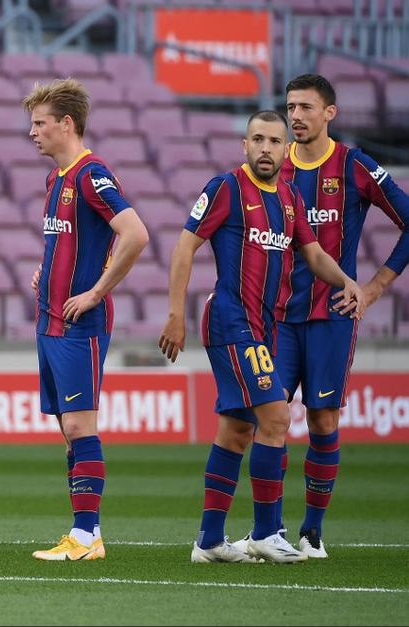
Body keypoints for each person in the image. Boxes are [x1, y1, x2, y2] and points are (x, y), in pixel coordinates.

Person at [158, 110, 366, 564]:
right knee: (275, 417)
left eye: (275, 140)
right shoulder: (225, 189)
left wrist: (347, 281)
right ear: (244, 146)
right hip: (232, 322)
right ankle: (267, 531)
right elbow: (183, 247)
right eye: (258, 139)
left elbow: (313, 254)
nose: (267, 148)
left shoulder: (289, 198)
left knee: (236, 431)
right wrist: (176, 313)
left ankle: (209, 542)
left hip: (263, 328)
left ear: (282, 147)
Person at [247, 74, 408, 559]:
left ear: (329, 114)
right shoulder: (272, 165)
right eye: (290, 107)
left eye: (305, 108)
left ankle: (312, 532)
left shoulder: (356, 166)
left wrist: (376, 286)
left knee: (321, 420)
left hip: (330, 318)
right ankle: (267, 533)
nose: (295, 116)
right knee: (270, 420)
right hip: (276, 318)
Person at [22, 78, 149, 561]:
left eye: (40, 123)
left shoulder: (92, 174)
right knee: (68, 428)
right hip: (50, 321)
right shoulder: (56, 179)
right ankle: (86, 534)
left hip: (80, 325)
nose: (32, 132)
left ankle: (84, 535)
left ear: (66, 124)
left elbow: (134, 234)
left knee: (80, 427)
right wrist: (46, 269)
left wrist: (96, 291)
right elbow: (69, 241)